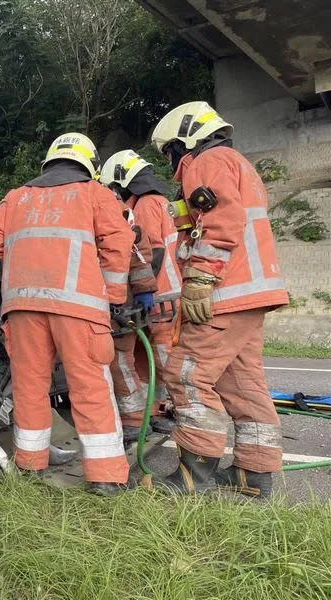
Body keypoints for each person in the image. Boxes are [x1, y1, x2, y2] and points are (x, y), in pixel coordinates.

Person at [0, 132, 136, 496]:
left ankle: (30, 465)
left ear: (49, 162)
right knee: (90, 386)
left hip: (22, 309)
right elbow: (118, 242)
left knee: (30, 386)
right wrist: (113, 296)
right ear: (89, 165)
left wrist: (27, 249)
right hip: (78, 309)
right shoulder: (94, 194)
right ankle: (106, 477)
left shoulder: (17, 198)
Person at [150, 102, 288, 496]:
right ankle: (253, 476)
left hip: (225, 293)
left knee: (186, 375)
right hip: (252, 293)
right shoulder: (238, 163)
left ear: (185, 140)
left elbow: (220, 222)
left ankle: (195, 475)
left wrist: (199, 278)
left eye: (170, 152)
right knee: (242, 383)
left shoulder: (207, 162)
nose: (172, 161)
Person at [100, 150, 181, 439]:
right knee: (151, 361)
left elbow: (150, 253)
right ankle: (155, 411)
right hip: (170, 294)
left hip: (154, 298)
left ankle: (140, 417)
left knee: (143, 358)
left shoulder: (144, 205)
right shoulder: (162, 201)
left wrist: (140, 291)